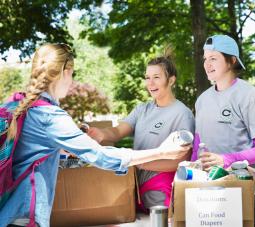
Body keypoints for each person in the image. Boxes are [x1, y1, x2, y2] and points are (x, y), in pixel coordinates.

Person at [0, 43, 190, 227]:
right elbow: (100, 156)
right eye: (72, 74)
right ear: (66, 72)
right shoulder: (50, 116)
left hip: (8, 211)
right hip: (25, 216)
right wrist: (161, 152)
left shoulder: (16, 104)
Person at [88, 51, 195, 211]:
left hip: (160, 185)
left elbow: (180, 161)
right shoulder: (142, 109)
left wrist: (139, 162)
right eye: (147, 77)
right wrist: (101, 134)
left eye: (156, 77)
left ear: (171, 80)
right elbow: (117, 132)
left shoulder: (182, 113)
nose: (150, 83)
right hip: (133, 184)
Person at [192, 34, 255, 227]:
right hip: (210, 194)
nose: (207, 64)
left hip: (248, 191)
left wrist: (225, 160)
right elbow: (197, 145)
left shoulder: (251, 97)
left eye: (213, 58)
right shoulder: (202, 100)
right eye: (205, 59)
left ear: (232, 60)